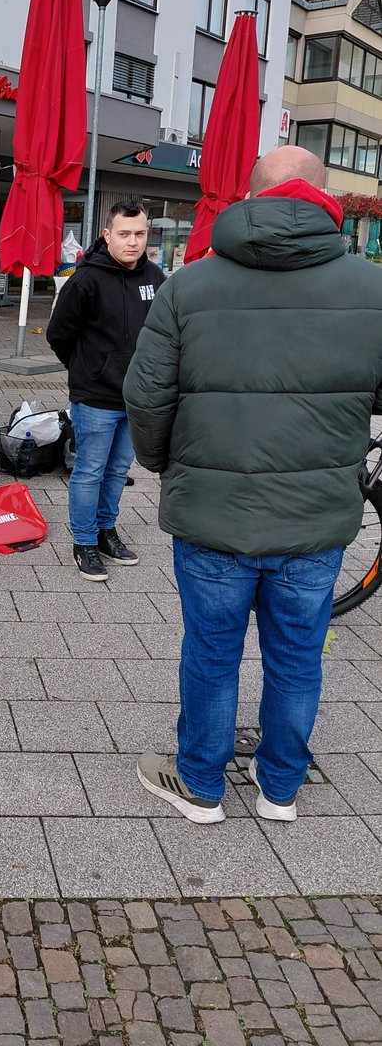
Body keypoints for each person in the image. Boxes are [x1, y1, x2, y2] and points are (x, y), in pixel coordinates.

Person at [123, 145, 382, 825]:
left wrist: (162, 465)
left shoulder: (190, 284)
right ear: (325, 199)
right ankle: (280, 791)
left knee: (210, 654)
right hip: (315, 521)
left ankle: (203, 787)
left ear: (251, 196)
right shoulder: (372, 289)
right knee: (297, 659)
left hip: (212, 516)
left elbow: (145, 396)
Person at [46, 200, 164, 580]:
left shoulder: (155, 279)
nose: (133, 242)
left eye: (140, 234)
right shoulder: (86, 280)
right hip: (95, 397)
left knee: (117, 472)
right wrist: (86, 370)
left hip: (136, 398)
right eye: (125, 234)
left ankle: (105, 531)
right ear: (107, 234)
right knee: (89, 471)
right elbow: (58, 335)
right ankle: (83, 542)